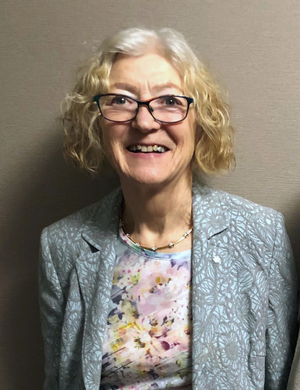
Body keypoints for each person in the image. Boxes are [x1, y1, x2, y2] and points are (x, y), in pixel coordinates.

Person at [39, 27, 298, 390]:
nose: (144, 122)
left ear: (200, 120)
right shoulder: (61, 247)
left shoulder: (260, 236)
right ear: (97, 123)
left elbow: (283, 379)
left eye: (170, 102)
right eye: (121, 100)